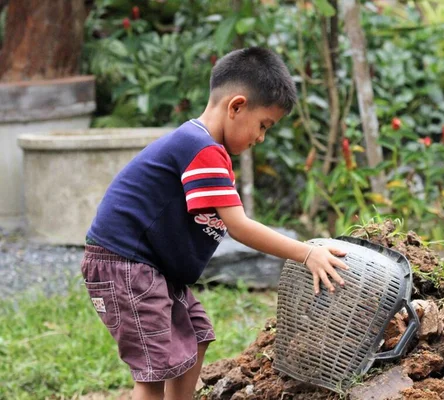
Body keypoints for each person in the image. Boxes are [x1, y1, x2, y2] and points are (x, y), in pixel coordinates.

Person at [81, 47, 349, 400]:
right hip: (126, 264)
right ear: (236, 106)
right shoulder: (201, 148)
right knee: (154, 369)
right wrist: (306, 253)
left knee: (195, 336)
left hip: (151, 267)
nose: (261, 138)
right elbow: (239, 227)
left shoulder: (205, 149)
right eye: (263, 125)